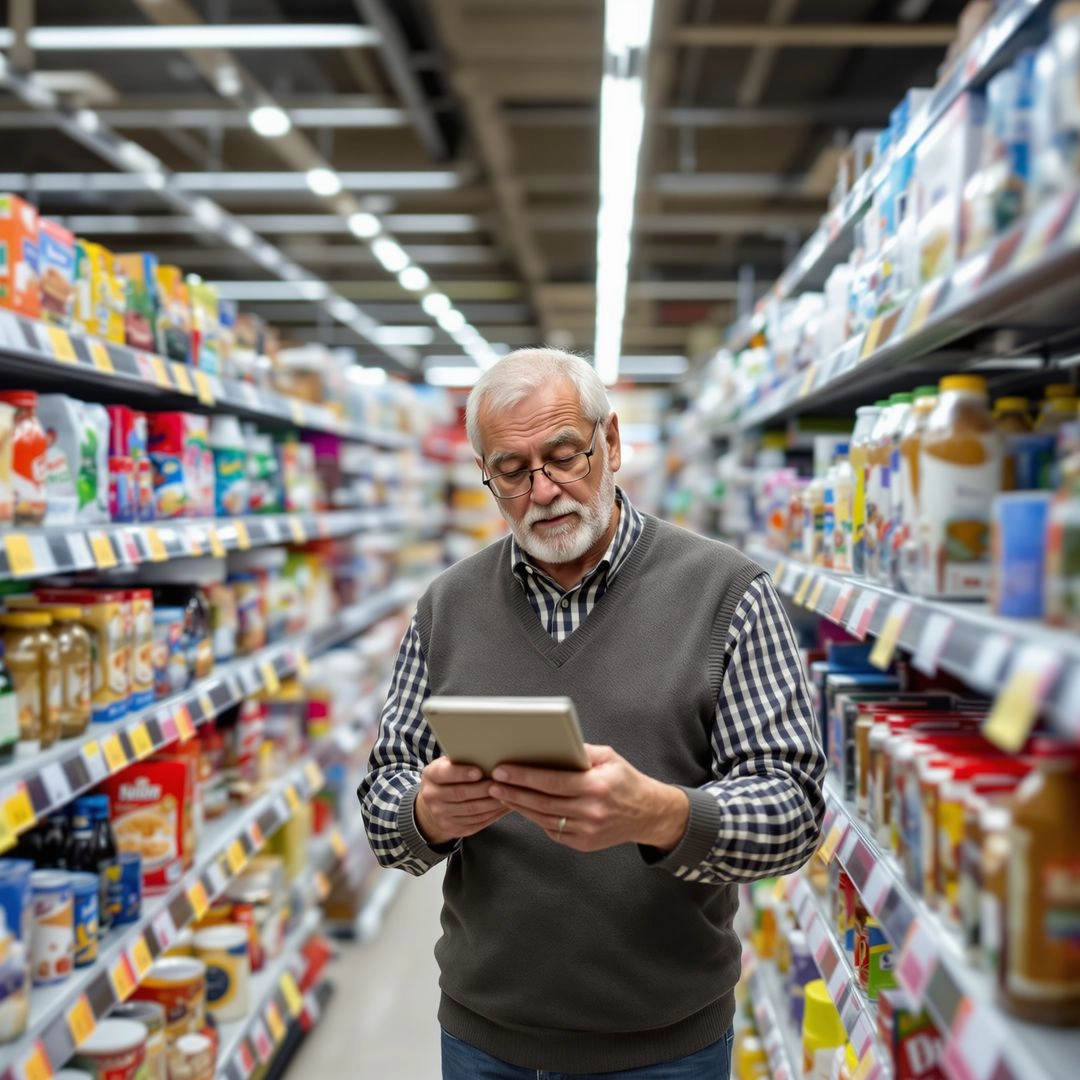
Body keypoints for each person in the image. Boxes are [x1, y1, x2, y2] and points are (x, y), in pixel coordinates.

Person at [359, 348, 826, 1079]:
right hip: (485, 1040)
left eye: (563, 455)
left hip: (665, 1047)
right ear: (487, 478)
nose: (543, 490)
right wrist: (426, 813)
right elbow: (384, 808)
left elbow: (793, 812)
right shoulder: (446, 608)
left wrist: (663, 815)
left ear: (609, 444)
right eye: (512, 470)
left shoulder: (727, 595)